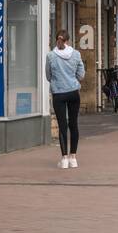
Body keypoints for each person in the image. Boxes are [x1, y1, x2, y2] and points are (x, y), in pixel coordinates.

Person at [45, 30, 86, 169]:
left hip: (58, 94)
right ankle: (73, 158)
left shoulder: (50, 56)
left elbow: (48, 76)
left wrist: (58, 81)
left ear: (57, 40)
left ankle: (64, 159)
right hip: (74, 92)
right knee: (73, 124)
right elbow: (81, 75)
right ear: (68, 41)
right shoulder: (76, 54)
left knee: (62, 126)